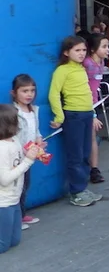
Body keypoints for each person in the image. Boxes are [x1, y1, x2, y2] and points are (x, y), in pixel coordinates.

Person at [49, 36, 102, 207]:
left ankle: (82, 188)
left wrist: (92, 114)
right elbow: (54, 94)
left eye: (84, 50)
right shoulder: (62, 70)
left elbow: (87, 92)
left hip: (86, 114)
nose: (81, 53)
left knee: (85, 153)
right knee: (76, 156)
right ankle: (77, 192)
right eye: (77, 50)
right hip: (73, 116)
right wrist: (59, 117)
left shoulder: (80, 68)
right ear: (66, 52)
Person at [0, 103, 41, 254]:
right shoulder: (2, 148)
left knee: (15, 241)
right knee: (3, 246)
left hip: (14, 199)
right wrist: (28, 161)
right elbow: (5, 179)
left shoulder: (14, 140)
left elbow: (18, 157)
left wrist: (33, 151)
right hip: (3, 202)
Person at [12, 75, 43, 229]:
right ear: (14, 93)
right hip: (16, 158)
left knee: (25, 185)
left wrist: (39, 140)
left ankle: (21, 215)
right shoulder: (13, 112)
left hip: (28, 157)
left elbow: (36, 130)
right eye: (25, 91)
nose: (29, 94)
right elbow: (11, 135)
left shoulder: (34, 110)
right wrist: (22, 149)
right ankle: (14, 220)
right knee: (15, 188)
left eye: (32, 90)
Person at [83, 35, 109, 184]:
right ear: (93, 49)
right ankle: (91, 169)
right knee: (90, 137)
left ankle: (94, 169)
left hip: (93, 104)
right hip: (85, 105)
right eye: (104, 47)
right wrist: (92, 114)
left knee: (92, 137)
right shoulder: (87, 64)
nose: (108, 49)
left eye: (107, 46)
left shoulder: (100, 62)